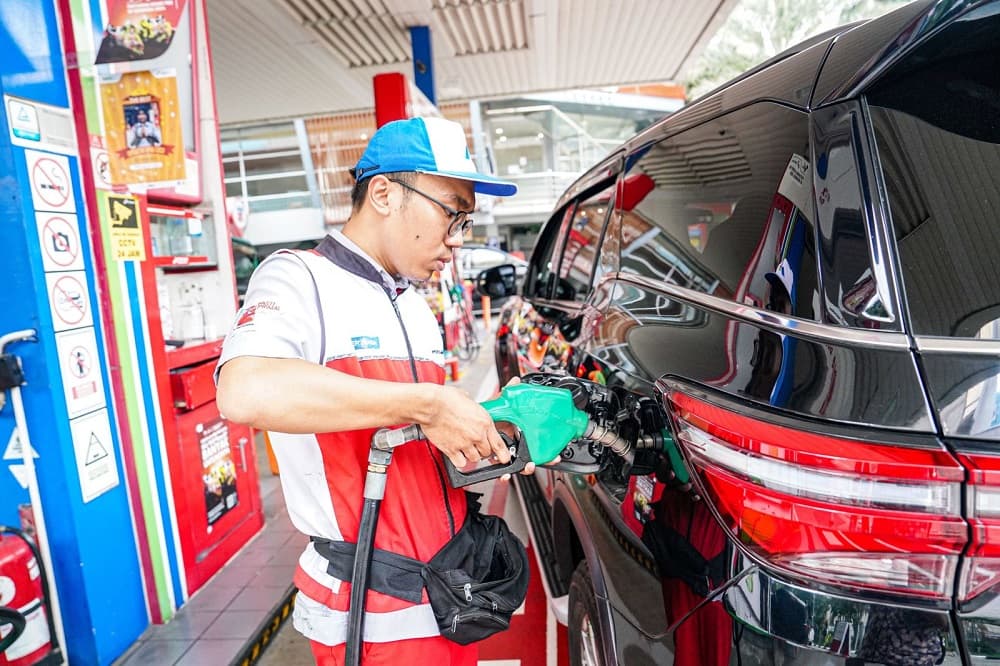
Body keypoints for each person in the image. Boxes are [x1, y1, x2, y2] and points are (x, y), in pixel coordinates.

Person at [215, 117, 529, 665]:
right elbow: (245, 390)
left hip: (447, 586)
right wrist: (427, 403)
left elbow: (413, 432)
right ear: (383, 192)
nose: (457, 239)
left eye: (466, 222)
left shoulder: (411, 300)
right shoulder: (297, 278)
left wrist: (488, 429)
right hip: (370, 606)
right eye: (452, 213)